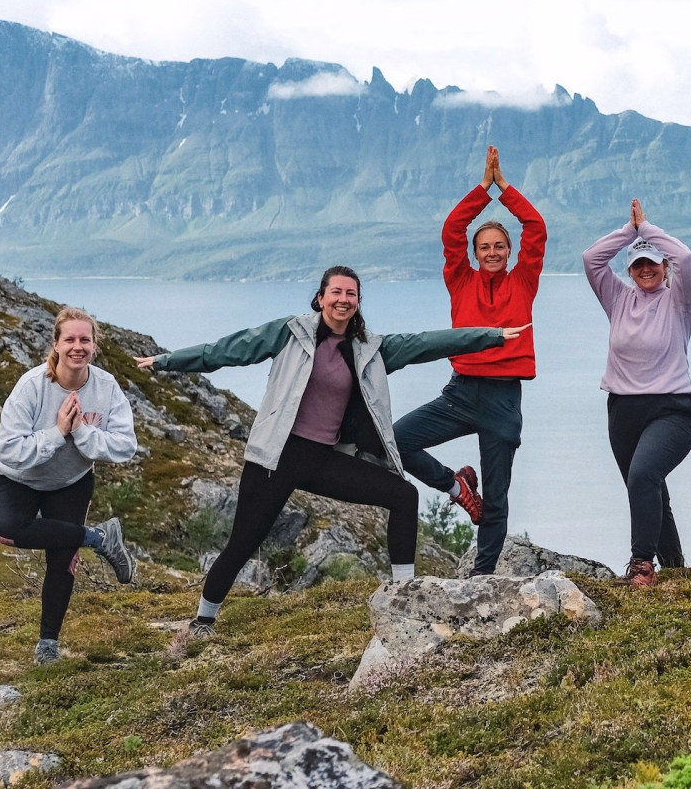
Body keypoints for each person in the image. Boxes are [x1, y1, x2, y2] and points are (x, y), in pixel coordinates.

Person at [138, 266, 524, 637]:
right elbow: (224, 351)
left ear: (358, 302)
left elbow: (427, 343)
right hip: (275, 458)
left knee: (403, 495)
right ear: (320, 297)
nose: (343, 299)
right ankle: (203, 621)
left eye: (350, 294)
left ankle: (402, 595)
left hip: (322, 459)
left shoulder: (369, 350)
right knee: (243, 542)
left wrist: (491, 335)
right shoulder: (289, 333)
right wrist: (166, 362)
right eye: (335, 292)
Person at [393, 145, 545, 576]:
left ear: (510, 251)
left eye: (499, 246)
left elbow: (535, 226)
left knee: (497, 496)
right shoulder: (459, 280)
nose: (492, 252)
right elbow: (451, 229)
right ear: (474, 254)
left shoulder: (524, 280)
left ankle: (482, 573)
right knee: (397, 440)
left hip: (502, 399)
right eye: (484, 247)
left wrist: (506, 189)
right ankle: (455, 485)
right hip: (460, 393)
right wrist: (483, 190)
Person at [0, 306, 139, 664]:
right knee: (7, 528)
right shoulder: (32, 386)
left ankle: (48, 646)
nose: (77, 346)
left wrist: (82, 432)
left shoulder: (105, 388)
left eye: (85, 339)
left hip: (70, 480)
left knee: (62, 557)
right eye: (69, 339)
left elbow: (125, 445)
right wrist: (57, 434)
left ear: (95, 346)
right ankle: (98, 539)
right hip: (14, 476)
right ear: (55, 344)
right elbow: (9, 449)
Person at [584, 199, 691, 587]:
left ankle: (641, 565)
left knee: (643, 475)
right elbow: (591, 259)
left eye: (653, 262)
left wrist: (647, 229)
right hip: (622, 410)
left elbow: (685, 256)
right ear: (630, 270)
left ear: (664, 267)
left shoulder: (678, 300)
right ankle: (677, 569)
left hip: (673, 409)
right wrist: (628, 233)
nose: (646, 269)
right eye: (638, 264)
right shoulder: (618, 299)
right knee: (647, 488)